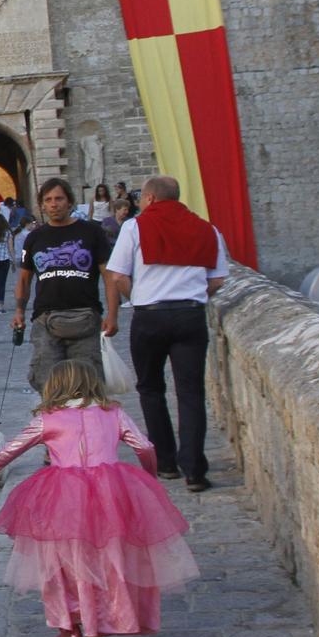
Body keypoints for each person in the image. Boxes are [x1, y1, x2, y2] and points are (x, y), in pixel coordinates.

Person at [0, 359, 198, 637]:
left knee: (64, 563)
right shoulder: (113, 413)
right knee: (108, 562)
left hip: (62, 499)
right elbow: (144, 447)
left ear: (55, 387)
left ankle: (76, 628)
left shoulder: (49, 419)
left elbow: (11, 450)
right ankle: (93, 630)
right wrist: (148, 476)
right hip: (111, 497)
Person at [103, 175, 229, 492]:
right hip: (190, 315)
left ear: (149, 199)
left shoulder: (134, 228)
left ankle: (167, 462)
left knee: (151, 388)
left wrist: (139, 295)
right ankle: (195, 470)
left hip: (150, 316)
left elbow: (117, 276)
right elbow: (217, 281)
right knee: (190, 393)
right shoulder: (207, 229)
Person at [13, 178, 111, 397]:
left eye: (59, 198)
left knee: (88, 386)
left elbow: (108, 275)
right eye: (48, 200)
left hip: (84, 315)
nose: (54, 204)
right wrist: (19, 310)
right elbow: (24, 279)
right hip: (45, 319)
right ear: (42, 205)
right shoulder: (33, 238)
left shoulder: (92, 233)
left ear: (70, 202)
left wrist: (112, 314)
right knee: (48, 385)